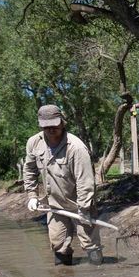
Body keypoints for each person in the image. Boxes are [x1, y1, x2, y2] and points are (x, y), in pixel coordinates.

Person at [23, 104, 103, 266]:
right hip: (54, 204)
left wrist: (84, 209)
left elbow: (85, 182)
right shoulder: (34, 143)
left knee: (89, 243)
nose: (51, 129)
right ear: (40, 125)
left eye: (54, 124)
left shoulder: (76, 147)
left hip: (80, 203)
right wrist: (32, 195)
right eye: (46, 126)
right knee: (58, 244)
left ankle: (99, 275)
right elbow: (30, 169)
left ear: (62, 122)